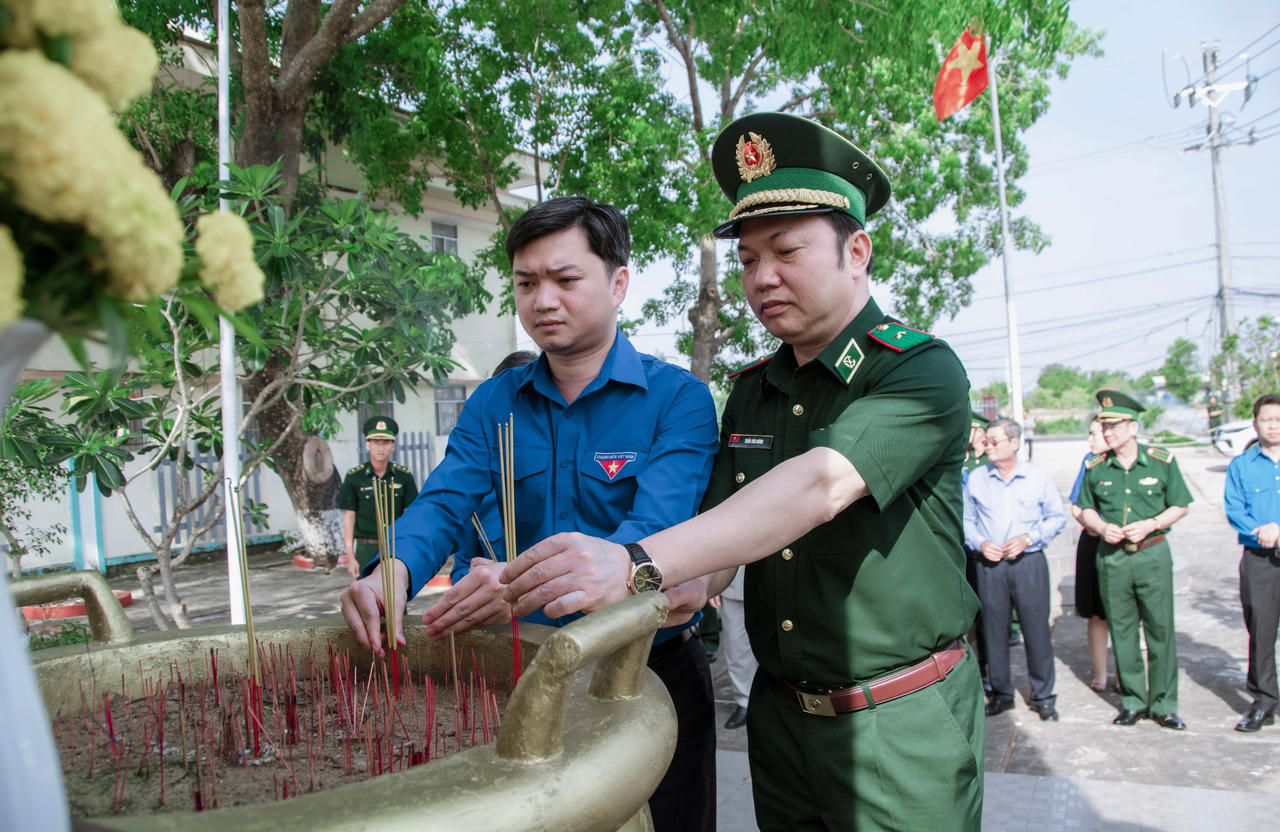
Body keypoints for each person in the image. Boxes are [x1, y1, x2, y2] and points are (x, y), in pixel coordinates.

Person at [502, 112, 983, 831]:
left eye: (785, 251)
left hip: (900, 719)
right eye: (749, 260)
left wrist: (632, 561)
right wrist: (565, 585)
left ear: (857, 251)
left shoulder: (917, 370)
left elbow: (819, 486)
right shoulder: (756, 388)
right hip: (782, 718)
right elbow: (716, 552)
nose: (763, 278)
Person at [338, 196, 720, 832]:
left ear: (618, 281)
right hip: (523, 674)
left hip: (642, 668)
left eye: (566, 279)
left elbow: (651, 534)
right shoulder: (493, 403)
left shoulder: (677, 400)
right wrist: (394, 571)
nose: (543, 300)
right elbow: (444, 499)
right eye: (526, 283)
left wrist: (515, 583)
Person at [1077, 388, 1192, 729]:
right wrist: (1100, 526)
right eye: (1104, 426)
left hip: (1152, 554)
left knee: (1160, 630)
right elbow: (1084, 507)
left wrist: (1153, 523)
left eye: (1114, 426)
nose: (1107, 432)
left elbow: (1180, 505)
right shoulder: (1096, 466)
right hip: (1112, 558)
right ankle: (1133, 701)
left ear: (1134, 427)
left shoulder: (1161, 460)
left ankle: (1164, 703)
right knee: (1123, 632)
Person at [963, 418, 1067, 721]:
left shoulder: (1037, 477)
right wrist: (980, 543)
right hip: (990, 564)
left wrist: (1029, 538)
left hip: (1028, 563)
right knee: (993, 632)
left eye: (995, 441)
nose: (988, 446)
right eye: (987, 441)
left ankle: (1044, 696)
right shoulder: (978, 479)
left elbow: (1056, 518)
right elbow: (967, 520)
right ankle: (1001, 693)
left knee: (1036, 631)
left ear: (1015, 443)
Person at [1224, 393, 1280, 733]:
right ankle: (1264, 701)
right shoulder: (1241, 465)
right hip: (1259, 558)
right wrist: (1263, 532)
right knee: (1261, 629)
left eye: (1279, 419)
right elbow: (1235, 509)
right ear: (1255, 423)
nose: (1273, 425)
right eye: (1267, 419)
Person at [337, 416, 419, 577]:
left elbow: (410, 515)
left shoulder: (403, 476)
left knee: (396, 596)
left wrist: (409, 549)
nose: (380, 448)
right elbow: (349, 518)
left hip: (395, 547)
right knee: (365, 598)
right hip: (365, 549)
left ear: (393, 445)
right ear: (368, 445)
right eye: (376, 442)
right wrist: (350, 555)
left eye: (386, 442)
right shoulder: (354, 477)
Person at [1068, 417, 1114, 692]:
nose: (1091, 439)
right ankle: (1101, 672)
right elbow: (1076, 506)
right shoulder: (1089, 461)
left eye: (1096, 433)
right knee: (1097, 613)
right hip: (1094, 543)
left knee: (1124, 616)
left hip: (1123, 544)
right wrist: (1094, 524)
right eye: (1091, 433)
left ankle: (1128, 675)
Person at [711, 566, 756, 729]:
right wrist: (712, 582)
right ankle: (744, 701)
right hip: (732, 579)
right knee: (736, 646)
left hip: (775, 580)